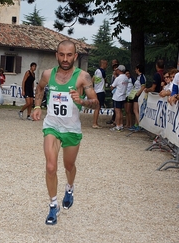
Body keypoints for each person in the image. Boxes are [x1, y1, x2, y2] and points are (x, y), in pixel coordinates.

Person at [31, 40, 98, 225]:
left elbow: (96, 103)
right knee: (51, 166)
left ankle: (69, 188)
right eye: (62, 54)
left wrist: (82, 100)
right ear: (56, 55)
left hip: (71, 129)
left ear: (75, 56)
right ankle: (53, 206)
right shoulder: (47, 74)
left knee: (69, 166)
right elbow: (40, 88)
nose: (65, 59)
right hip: (52, 126)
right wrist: (37, 105)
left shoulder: (83, 77)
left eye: (69, 55)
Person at [109, 65, 128, 131]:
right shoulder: (126, 78)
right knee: (121, 111)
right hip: (123, 96)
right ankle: (121, 124)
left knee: (117, 112)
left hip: (117, 96)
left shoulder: (118, 78)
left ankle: (117, 125)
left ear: (119, 70)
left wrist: (114, 77)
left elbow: (112, 86)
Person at [91, 59, 107, 128]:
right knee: (98, 107)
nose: (107, 66)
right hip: (100, 91)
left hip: (96, 90)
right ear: (103, 64)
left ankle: (95, 122)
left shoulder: (96, 71)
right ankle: (95, 123)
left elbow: (93, 79)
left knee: (96, 107)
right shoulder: (102, 72)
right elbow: (105, 79)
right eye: (106, 64)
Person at [130, 63, 146, 131]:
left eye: (136, 69)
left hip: (138, 95)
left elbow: (143, 86)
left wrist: (138, 93)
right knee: (136, 110)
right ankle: (136, 124)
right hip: (136, 94)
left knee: (135, 110)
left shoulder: (142, 76)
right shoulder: (139, 77)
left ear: (138, 69)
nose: (135, 70)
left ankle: (140, 124)